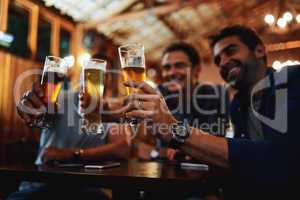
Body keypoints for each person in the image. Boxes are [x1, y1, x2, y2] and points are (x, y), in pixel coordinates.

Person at [123, 25, 293, 199]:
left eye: (231, 51)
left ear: (259, 50)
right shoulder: (239, 105)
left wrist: (174, 130)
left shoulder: (291, 79)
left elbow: (283, 159)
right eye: (218, 60)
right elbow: (134, 142)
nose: (224, 62)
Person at [7, 54, 132, 200]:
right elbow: (44, 115)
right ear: (81, 75)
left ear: (109, 81)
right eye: (90, 69)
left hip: (85, 188)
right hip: (41, 184)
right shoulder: (62, 98)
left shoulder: (108, 113)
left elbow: (123, 147)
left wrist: (72, 154)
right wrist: (31, 110)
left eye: (105, 71)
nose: (98, 74)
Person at [137, 42, 229, 161]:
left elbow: (218, 146)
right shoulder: (158, 95)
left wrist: (166, 150)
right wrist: (164, 153)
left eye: (179, 66)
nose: (172, 73)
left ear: (197, 70)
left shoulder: (217, 94)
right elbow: (139, 145)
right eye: (167, 68)